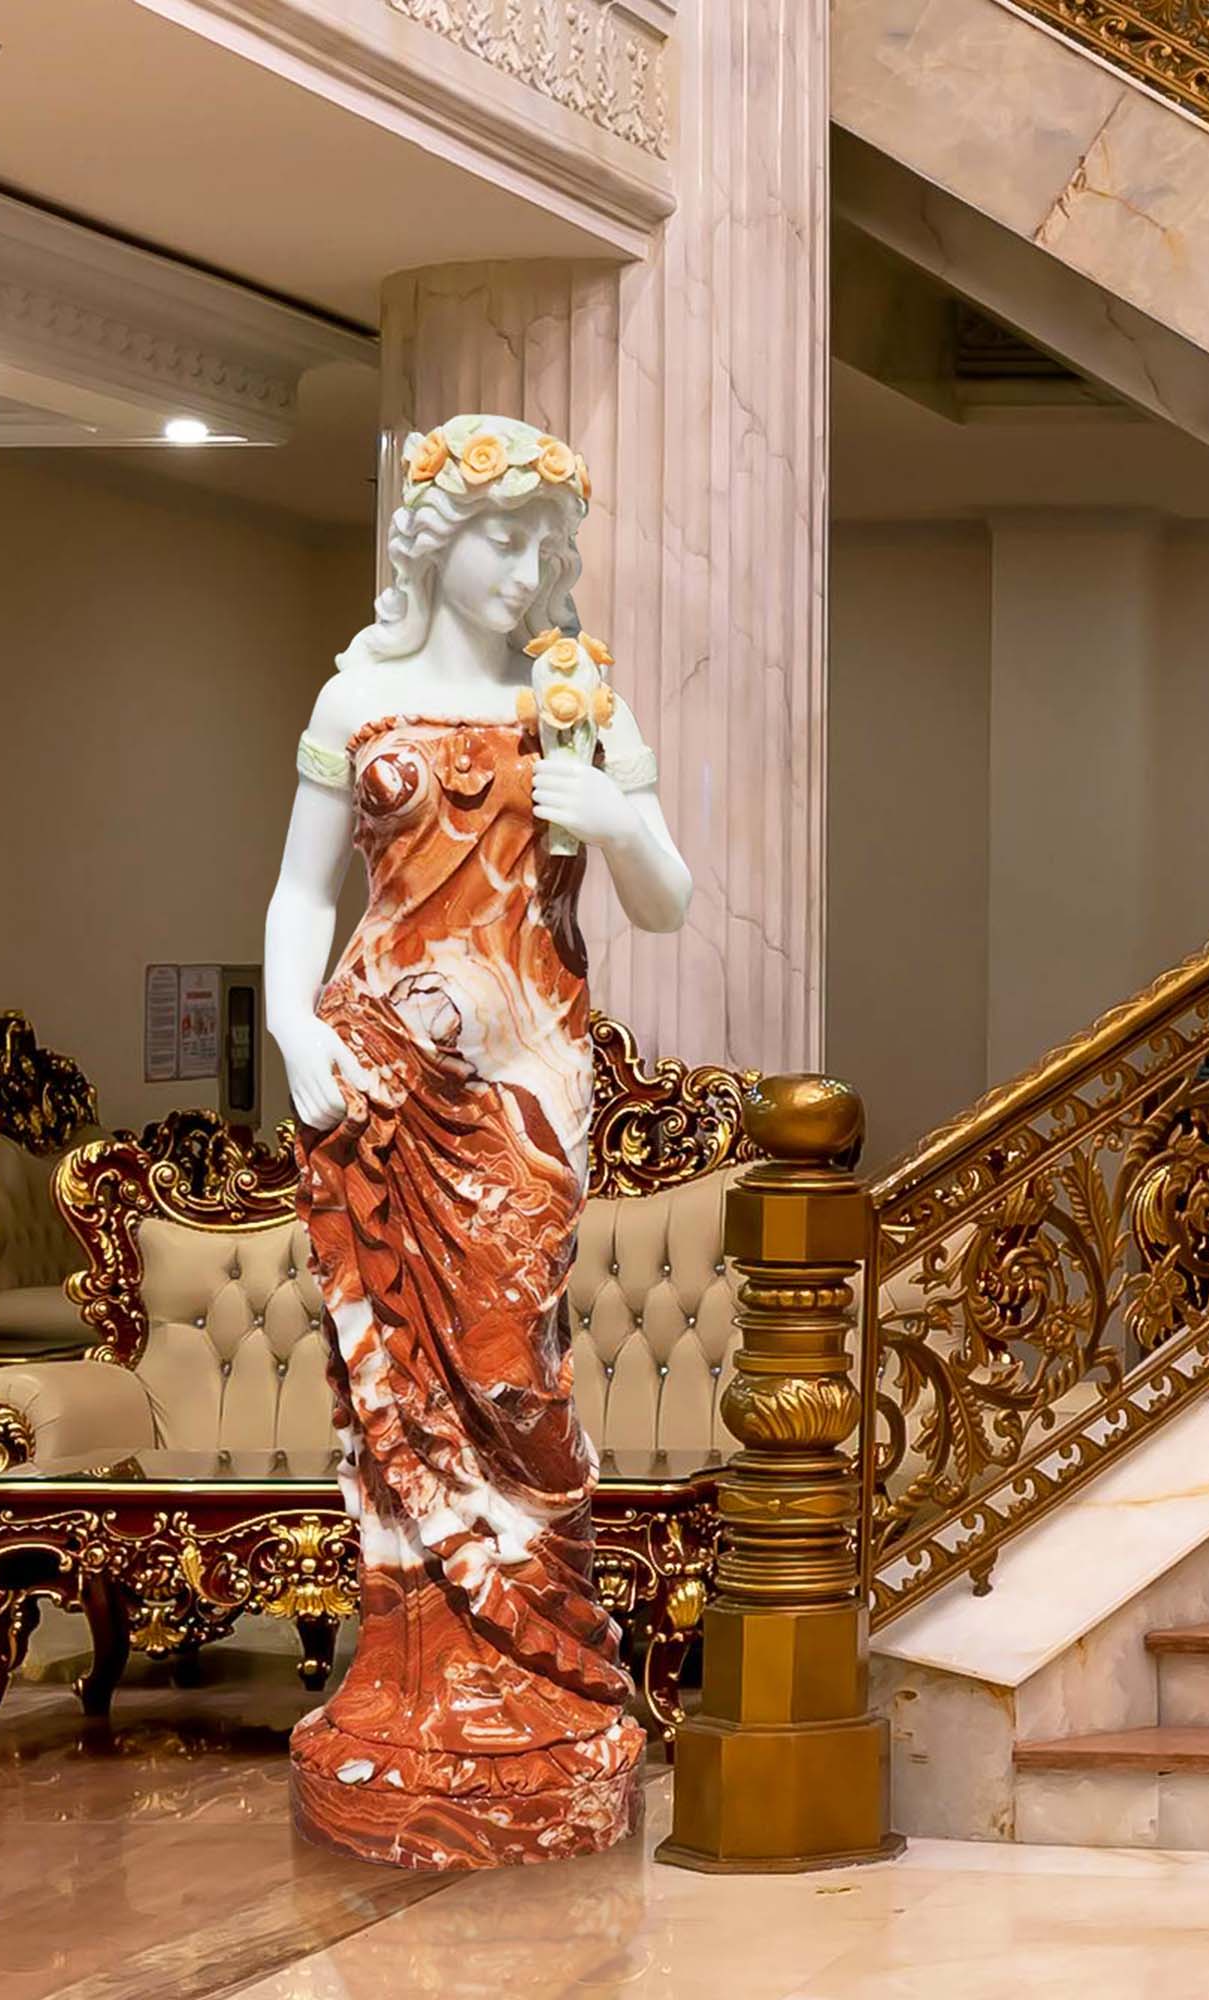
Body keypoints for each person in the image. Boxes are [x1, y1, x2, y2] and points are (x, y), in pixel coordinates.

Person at [264, 414, 691, 1869]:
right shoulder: (357, 691)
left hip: (520, 1083)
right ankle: (409, 1680)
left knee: (513, 1361)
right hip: (374, 1071)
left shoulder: (576, 701)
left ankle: (547, 1667)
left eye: (550, 549)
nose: (531, 572)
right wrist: (291, 1030)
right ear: (439, 544)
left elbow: (671, 896)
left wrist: (611, 824)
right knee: (385, 1387)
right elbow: (297, 897)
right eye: (506, 542)